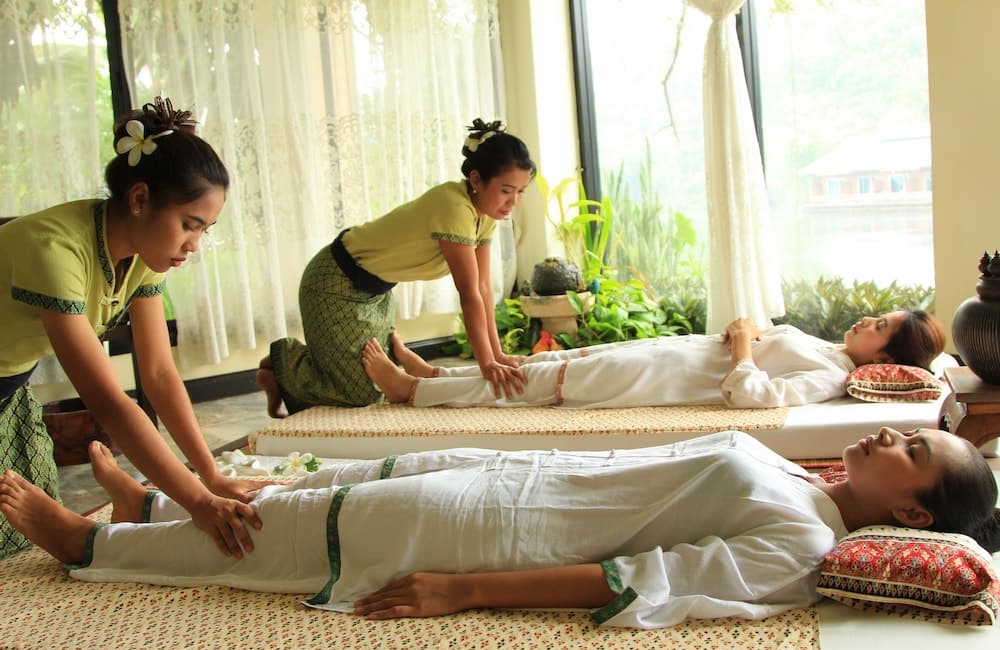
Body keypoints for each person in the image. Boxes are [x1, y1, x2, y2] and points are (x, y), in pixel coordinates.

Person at [1, 427, 997, 629]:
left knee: (299, 533)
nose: (888, 433)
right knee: (323, 490)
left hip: (501, 527)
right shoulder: (801, 478)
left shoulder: (803, 546)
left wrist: (462, 590)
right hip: (516, 472)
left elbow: (642, 580)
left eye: (910, 446)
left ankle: (89, 546)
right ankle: (149, 507)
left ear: (912, 513)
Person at [0, 97, 265, 561]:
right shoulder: (56, 250)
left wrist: (210, 476)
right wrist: (198, 502)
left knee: (18, 541)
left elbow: (159, 373)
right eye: (189, 225)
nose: (194, 245)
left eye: (204, 230)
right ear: (140, 200)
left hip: (9, 382)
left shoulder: (144, 256)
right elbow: (109, 402)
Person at [256, 119, 537, 418]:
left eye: (521, 192)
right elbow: (468, 293)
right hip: (335, 283)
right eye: (506, 190)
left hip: (376, 294)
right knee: (361, 395)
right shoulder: (454, 208)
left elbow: (482, 287)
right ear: (477, 180)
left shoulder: (487, 214)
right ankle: (282, 363)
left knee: (377, 382)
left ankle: (294, 367)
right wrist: (486, 364)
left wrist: (497, 355)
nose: (513, 202)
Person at [360, 310, 946, 409]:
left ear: (887, 356)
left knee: (557, 380)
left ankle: (413, 392)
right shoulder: (830, 348)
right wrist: (743, 331)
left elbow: (753, 396)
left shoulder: (830, 376)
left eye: (880, 329)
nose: (867, 322)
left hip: (670, 378)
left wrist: (744, 341)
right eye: (877, 317)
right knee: (566, 360)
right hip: (678, 353)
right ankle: (439, 374)